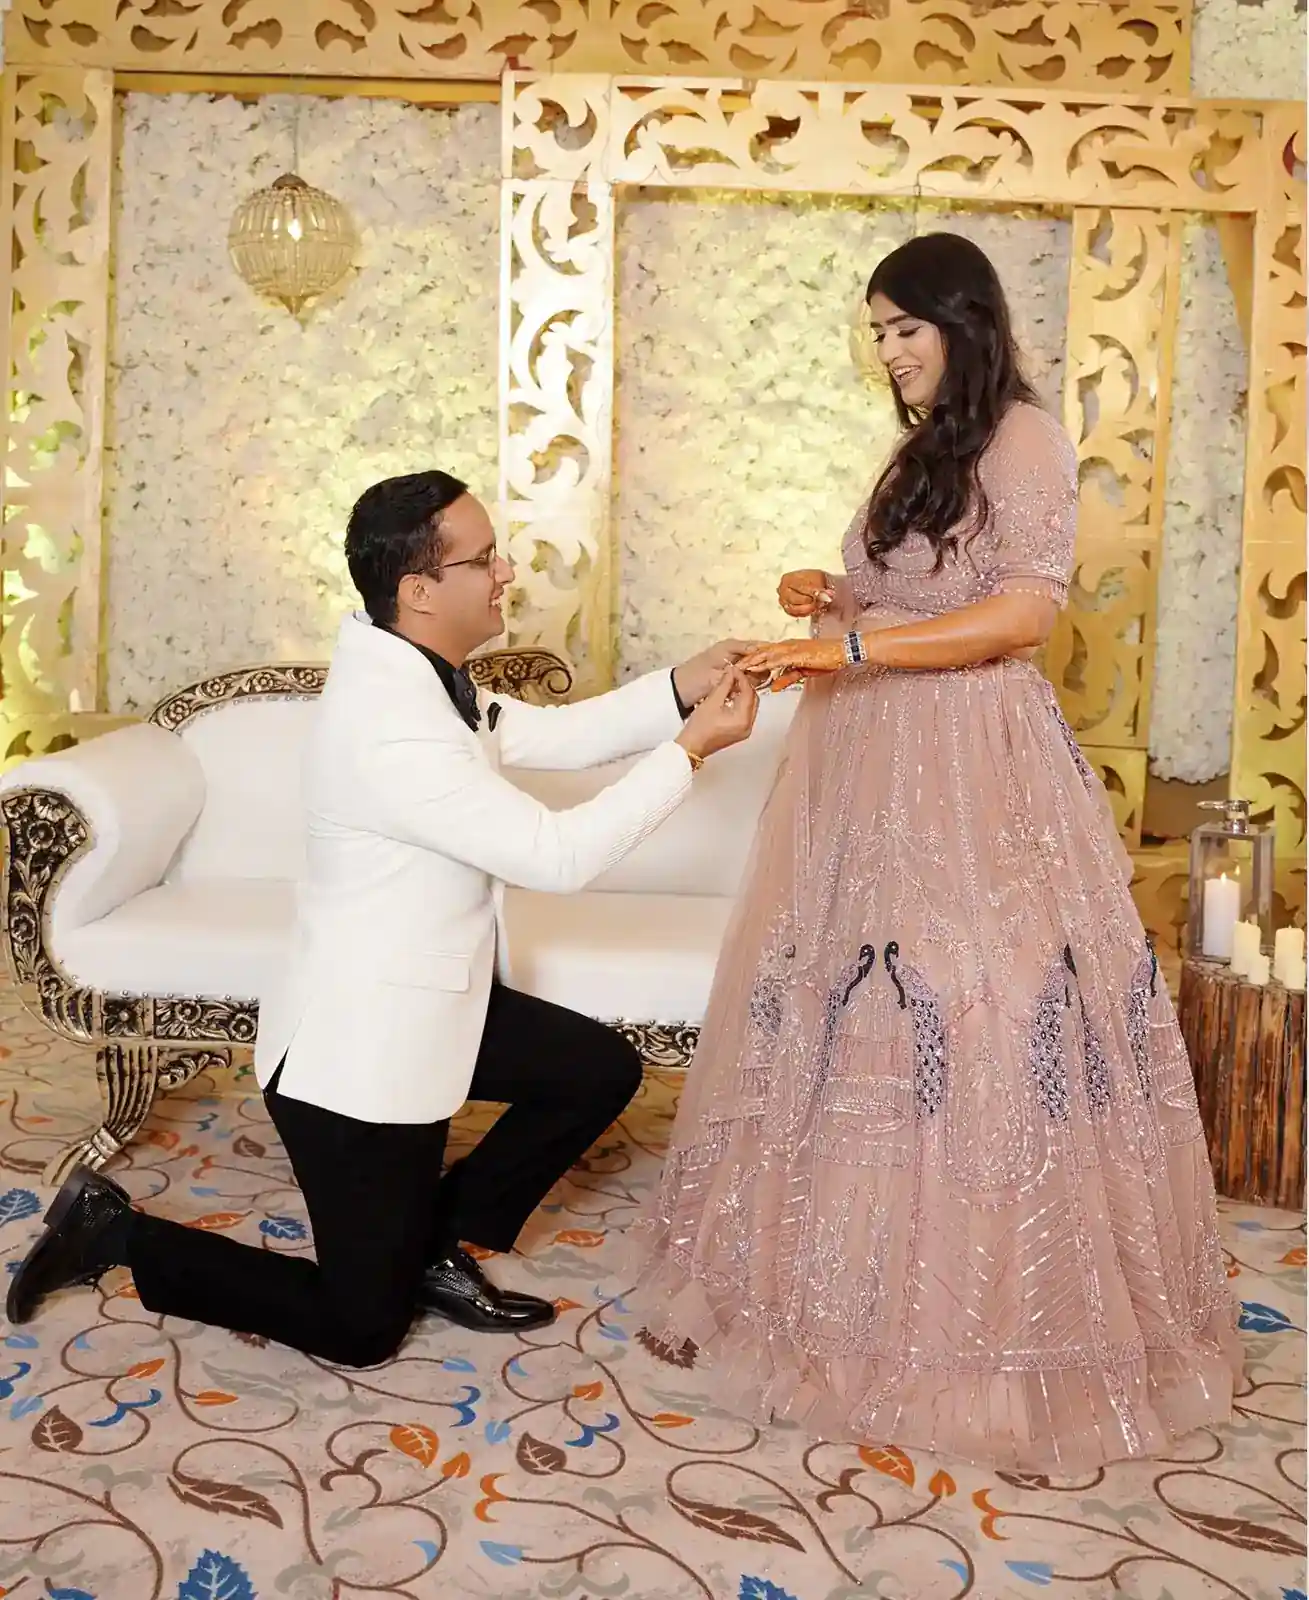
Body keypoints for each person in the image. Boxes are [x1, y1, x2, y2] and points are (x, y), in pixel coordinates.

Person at [629, 234, 1242, 1472]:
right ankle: (827, 1300)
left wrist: (850, 648)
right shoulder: (921, 449)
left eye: (903, 328)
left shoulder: (1023, 437)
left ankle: (981, 1325)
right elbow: (909, 598)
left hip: (972, 760)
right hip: (873, 757)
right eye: (875, 332)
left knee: (983, 1001)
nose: (888, 351)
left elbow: (1019, 611)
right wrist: (832, 599)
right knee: (857, 1008)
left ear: (964, 322)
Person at [9, 470, 760, 1367]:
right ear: (419, 590)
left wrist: (683, 683)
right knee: (360, 1328)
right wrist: (689, 752)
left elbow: (557, 737)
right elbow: (555, 858)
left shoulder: (417, 672)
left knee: (594, 1070)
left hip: (430, 1000)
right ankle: (115, 1233)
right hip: (355, 1055)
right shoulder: (392, 726)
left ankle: (430, 1246)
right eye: (485, 559)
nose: (507, 572)